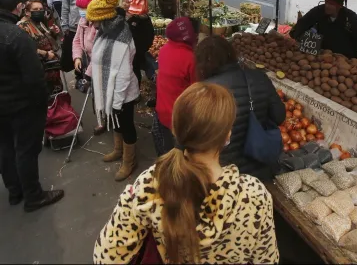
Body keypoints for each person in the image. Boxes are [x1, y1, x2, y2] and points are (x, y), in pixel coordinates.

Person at [93, 82, 279, 264]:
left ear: (175, 130)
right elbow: (267, 259)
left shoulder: (151, 186)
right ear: (227, 135)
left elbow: (106, 257)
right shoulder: (255, 195)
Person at [0, 0, 64, 212]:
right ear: (19, 7)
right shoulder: (16, 35)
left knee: (5, 147)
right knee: (25, 150)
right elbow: (34, 76)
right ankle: (33, 195)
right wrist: (43, 100)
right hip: (22, 104)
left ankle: (15, 191)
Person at [195, 36, 286, 180]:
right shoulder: (259, 77)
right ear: (232, 54)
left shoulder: (203, 91)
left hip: (225, 175)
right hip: (260, 168)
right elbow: (279, 116)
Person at [87, 0, 140, 182]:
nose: (91, 24)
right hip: (111, 91)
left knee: (126, 125)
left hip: (122, 93)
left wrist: (116, 101)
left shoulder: (122, 36)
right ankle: (118, 150)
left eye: (94, 20)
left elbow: (124, 74)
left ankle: (129, 160)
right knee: (116, 123)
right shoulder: (105, 31)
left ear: (104, 18)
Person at [154, 17, 197, 156]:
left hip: (162, 111)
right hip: (179, 117)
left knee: (167, 153)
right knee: (180, 157)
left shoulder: (164, 49)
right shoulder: (190, 58)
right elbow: (196, 91)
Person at [289, 0, 357, 59]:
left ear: (340, 6)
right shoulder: (319, 11)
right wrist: (295, 36)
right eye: (326, 2)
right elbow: (303, 23)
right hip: (323, 56)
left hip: (344, 59)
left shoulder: (351, 18)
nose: (327, 6)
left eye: (331, 4)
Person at [72, 0, 105, 134]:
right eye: (80, 9)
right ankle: (100, 120)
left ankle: (107, 119)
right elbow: (77, 40)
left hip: (101, 64)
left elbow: (100, 51)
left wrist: (88, 74)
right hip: (88, 61)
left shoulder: (101, 26)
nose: (81, 12)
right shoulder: (82, 21)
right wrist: (77, 57)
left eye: (83, 9)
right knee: (94, 94)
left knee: (103, 92)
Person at [61, 0, 102, 83]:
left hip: (93, 24)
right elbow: (65, 8)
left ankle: (89, 77)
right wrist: (65, 25)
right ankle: (80, 76)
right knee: (79, 48)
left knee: (91, 50)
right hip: (75, 25)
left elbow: (100, 2)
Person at [18, 0, 62, 95]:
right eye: (35, 9)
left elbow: (45, 38)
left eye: (41, 9)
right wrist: (46, 54)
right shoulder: (22, 27)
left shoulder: (39, 22)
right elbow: (26, 49)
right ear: (27, 12)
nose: (39, 11)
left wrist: (53, 32)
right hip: (39, 69)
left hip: (51, 66)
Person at [119, 0, 154, 86]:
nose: (126, 4)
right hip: (123, 53)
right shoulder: (119, 15)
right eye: (124, 2)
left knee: (134, 72)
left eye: (129, 2)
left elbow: (148, 36)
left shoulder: (142, 18)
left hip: (135, 52)